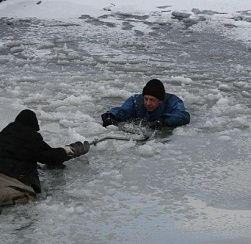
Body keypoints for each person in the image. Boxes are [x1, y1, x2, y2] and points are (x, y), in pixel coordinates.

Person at [0, 109, 90, 207]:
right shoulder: (31, 137)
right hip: (13, 181)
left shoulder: (4, 133)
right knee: (25, 198)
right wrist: (68, 151)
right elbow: (49, 156)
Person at [101, 79, 190, 129]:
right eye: (146, 99)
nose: (147, 103)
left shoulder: (173, 102)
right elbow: (122, 111)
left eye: (152, 100)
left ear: (160, 101)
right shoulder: (136, 101)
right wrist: (111, 117)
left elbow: (183, 116)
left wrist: (163, 121)